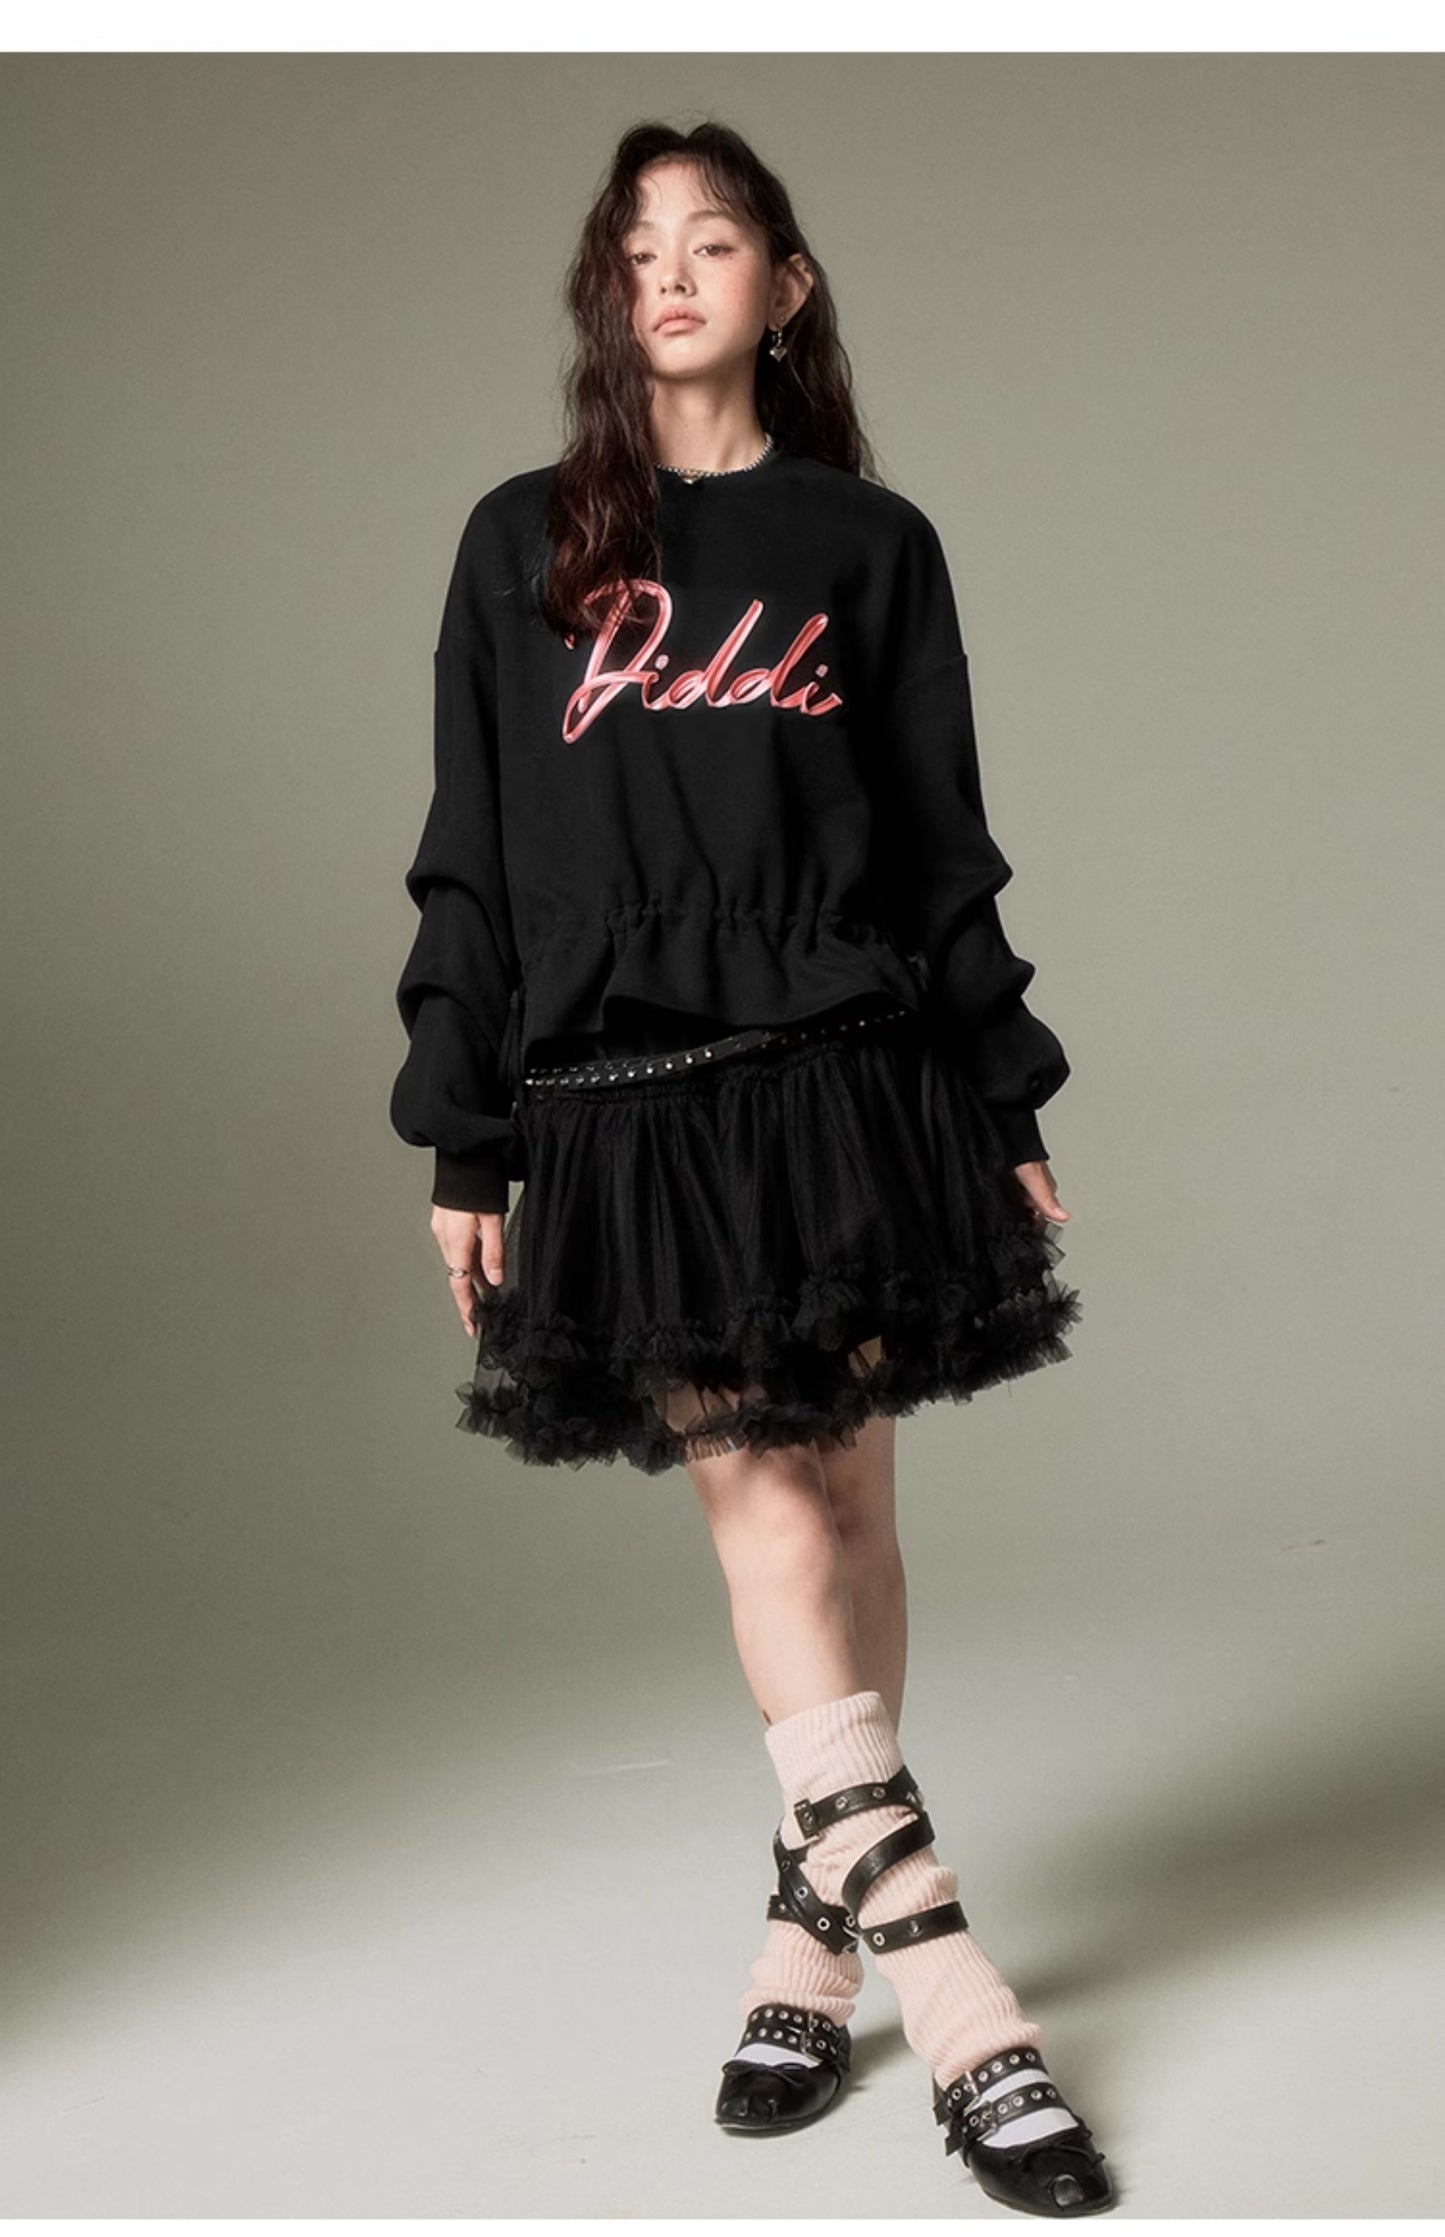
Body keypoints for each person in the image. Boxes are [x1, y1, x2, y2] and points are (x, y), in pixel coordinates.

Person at [389, 118, 1115, 2217]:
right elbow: (471, 861)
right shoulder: (519, 545)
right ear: (605, 297)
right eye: (638, 252)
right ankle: (962, 2000)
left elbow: (938, 842)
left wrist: (1004, 1092)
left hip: (850, 1083)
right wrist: (467, 1130)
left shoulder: (866, 544)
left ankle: (806, 1944)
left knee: (855, 1508)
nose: (673, 277)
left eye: (714, 243)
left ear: (786, 287)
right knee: (775, 1524)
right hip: (634, 1108)